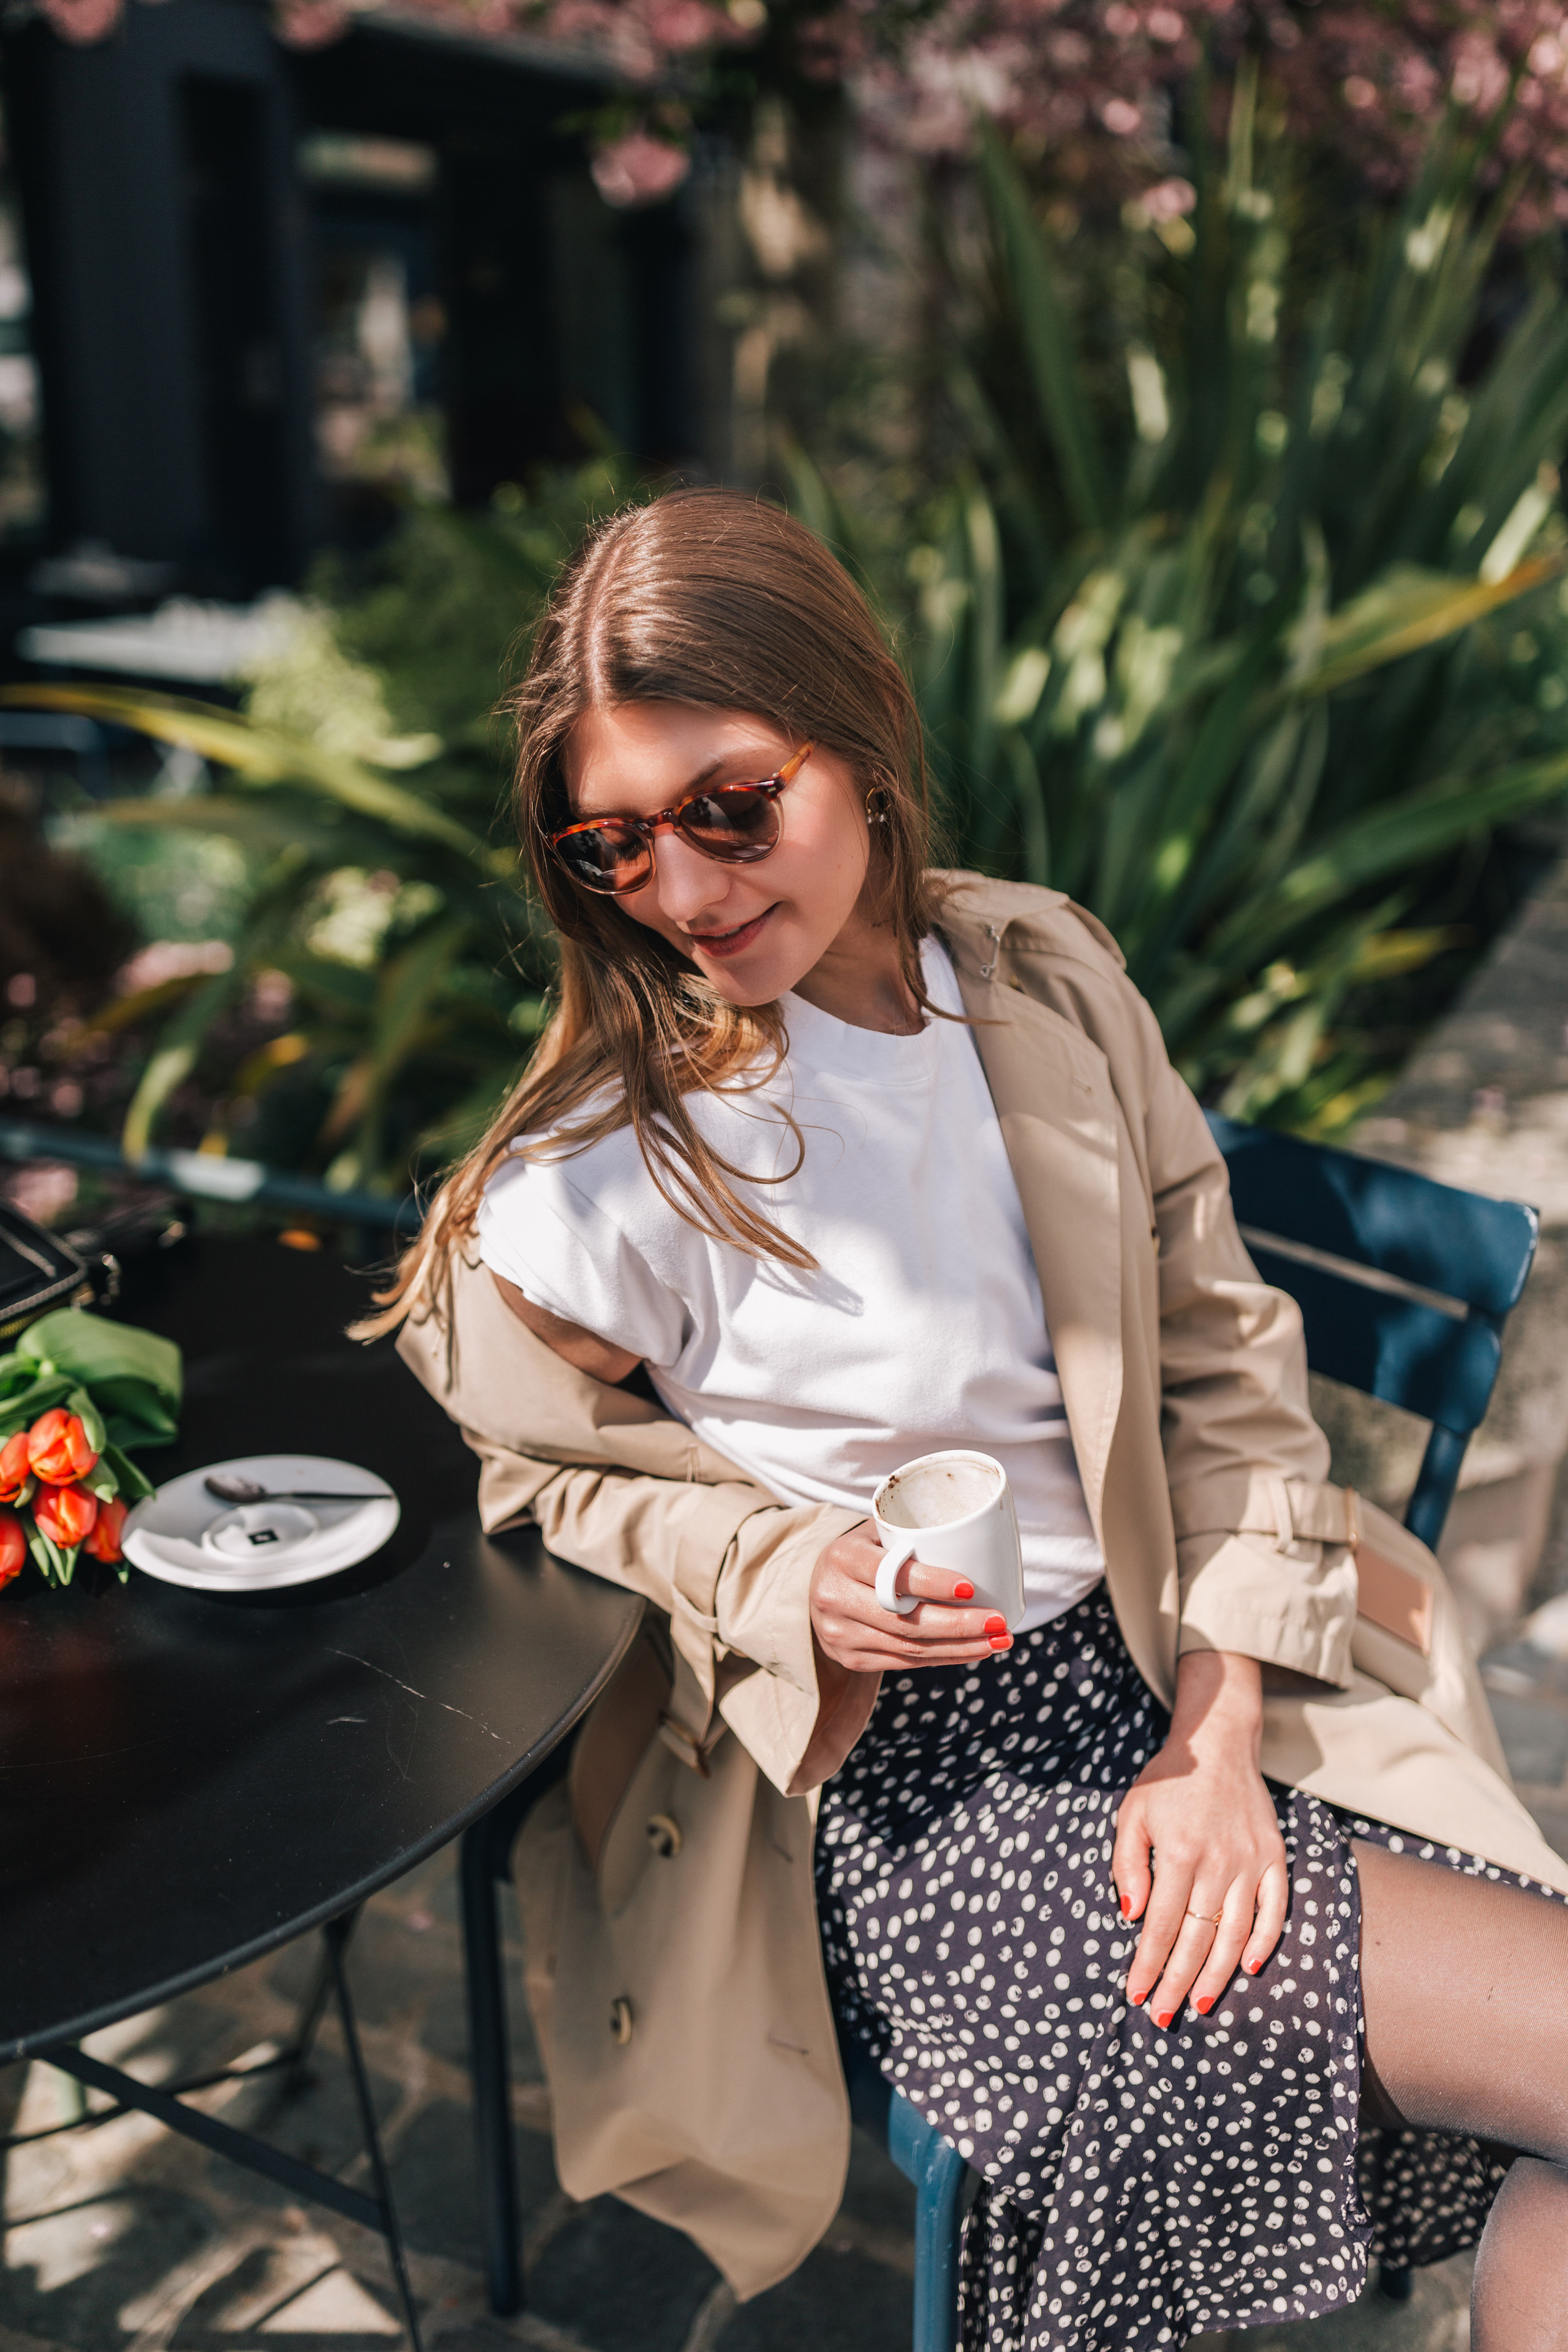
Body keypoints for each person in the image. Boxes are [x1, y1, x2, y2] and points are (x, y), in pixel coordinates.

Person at [378, 487, 1568, 2350]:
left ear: (855, 740)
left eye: (730, 807)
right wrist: (786, 1572)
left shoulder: (1040, 975)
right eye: (613, 843)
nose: (685, 891)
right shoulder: (613, 1175)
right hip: (942, 1782)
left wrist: (1219, 1730)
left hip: (1187, 1651)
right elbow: (532, 1469)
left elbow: (1222, 1361)